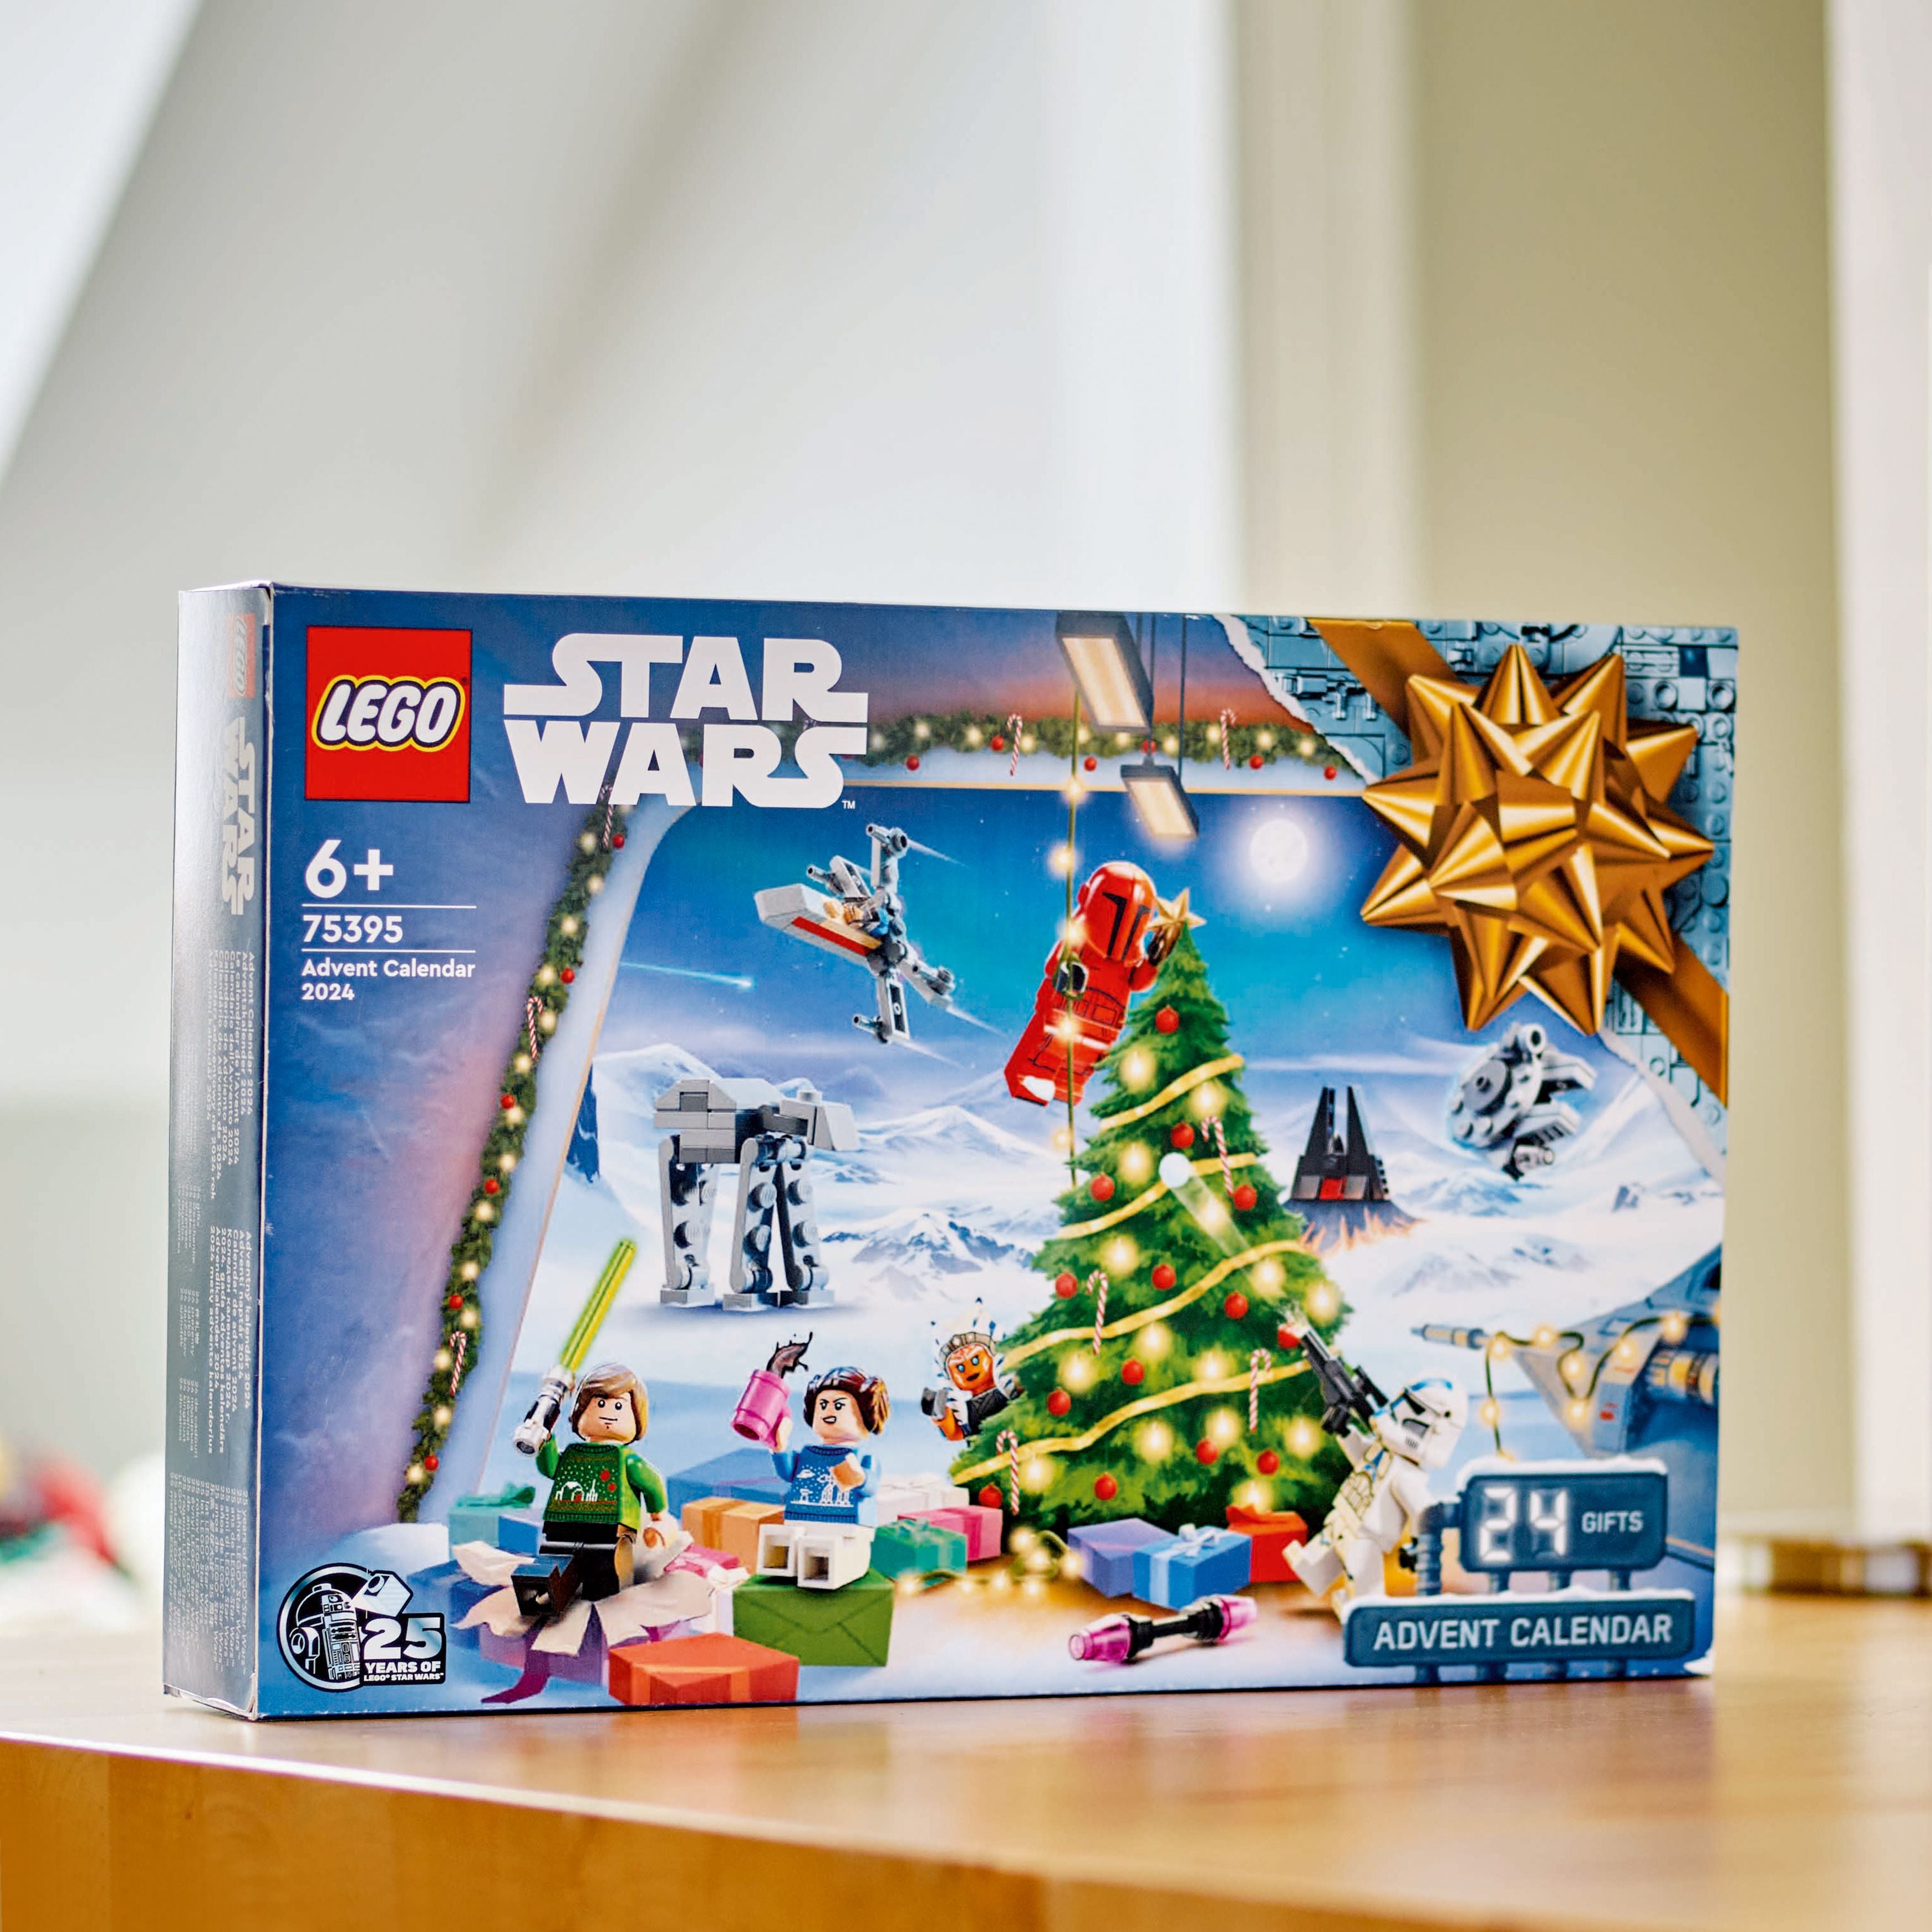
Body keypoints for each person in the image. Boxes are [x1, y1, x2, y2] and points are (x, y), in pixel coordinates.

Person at [512, 1363, 668, 1618]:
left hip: (610, 1530)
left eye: (619, 1407)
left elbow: (651, 1483)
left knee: (605, 1573)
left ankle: (605, 1605)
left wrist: (658, 1516)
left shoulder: (627, 1460)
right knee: (552, 1568)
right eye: (600, 1404)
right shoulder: (573, 1454)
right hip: (561, 1526)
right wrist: (546, 1441)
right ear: (580, 1412)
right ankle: (546, 1598)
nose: (608, 1414)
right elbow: (551, 1468)